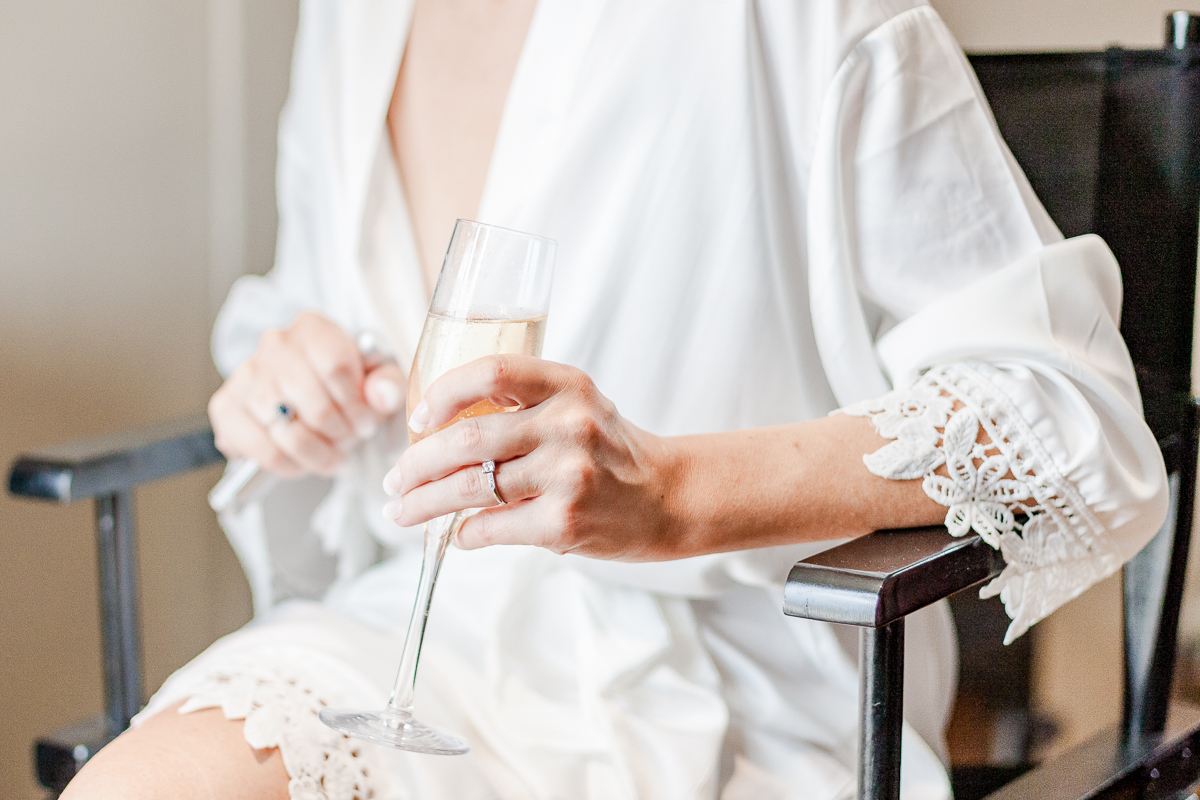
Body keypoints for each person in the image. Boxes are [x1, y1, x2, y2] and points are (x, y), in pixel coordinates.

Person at [64, 0, 1168, 798]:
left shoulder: (797, 18)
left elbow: (1074, 421)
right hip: (403, 631)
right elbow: (307, 303)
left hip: (733, 688)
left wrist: (676, 493)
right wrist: (283, 383)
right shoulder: (346, 20)